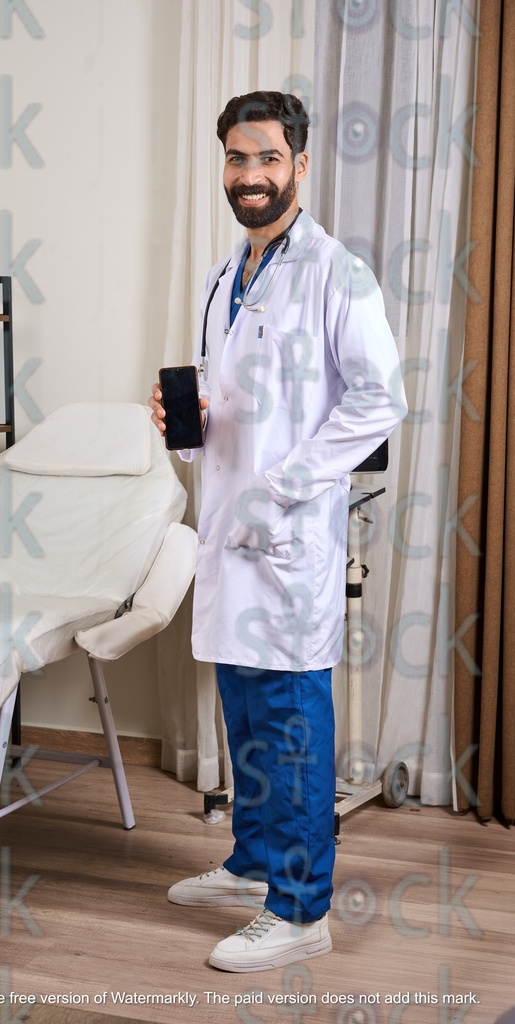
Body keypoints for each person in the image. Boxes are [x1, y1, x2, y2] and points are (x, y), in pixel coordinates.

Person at [149, 91, 407, 973]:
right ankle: (254, 866)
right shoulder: (229, 275)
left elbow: (379, 399)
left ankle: (300, 911)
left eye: (266, 159)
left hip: (288, 538)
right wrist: (187, 418)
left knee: (291, 723)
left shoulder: (340, 273)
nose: (249, 176)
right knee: (246, 716)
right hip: (229, 529)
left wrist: (284, 480)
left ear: (298, 164)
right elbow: (241, 402)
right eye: (235, 159)